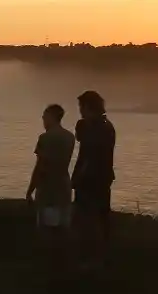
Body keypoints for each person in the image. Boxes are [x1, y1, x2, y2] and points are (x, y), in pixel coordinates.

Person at [25, 103, 76, 266]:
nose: (43, 120)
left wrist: (30, 190)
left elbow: (40, 166)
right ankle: (64, 263)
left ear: (51, 117)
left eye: (44, 117)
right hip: (64, 186)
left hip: (49, 189)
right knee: (63, 230)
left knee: (47, 230)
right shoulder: (70, 137)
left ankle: (48, 266)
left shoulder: (45, 138)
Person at [72, 91, 117, 263]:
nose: (80, 112)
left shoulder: (96, 128)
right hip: (103, 178)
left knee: (87, 220)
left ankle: (90, 258)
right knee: (101, 217)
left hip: (91, 180)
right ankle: (101, 255)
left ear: (88, 107)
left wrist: (76, 179)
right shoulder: (106, 126)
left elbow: (89, 157)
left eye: (81, 107)